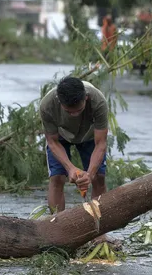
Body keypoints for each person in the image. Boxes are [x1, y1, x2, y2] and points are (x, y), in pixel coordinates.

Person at [40, 76, 109, 214]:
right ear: (59, 102)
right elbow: (52, 141)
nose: (74, 114)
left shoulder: (98, 101)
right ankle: (56, 223)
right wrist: (70, 168)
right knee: (57, 178)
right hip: (60, 136)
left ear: (86, 98)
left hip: (89, 135)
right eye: (69, 111)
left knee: (98, 178)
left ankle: (100, 227)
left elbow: (101, 143)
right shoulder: (47, 105)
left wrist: (89, 174)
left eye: (78, 110)